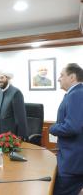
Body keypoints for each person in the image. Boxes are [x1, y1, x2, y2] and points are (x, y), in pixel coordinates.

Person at [49, 63, 83, 195]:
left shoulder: (77, 94)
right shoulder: (73, 93)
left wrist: (53, 128)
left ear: (72, 77)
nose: (59, 79)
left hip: (72, 162)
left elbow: (72, 127)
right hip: (71, 158)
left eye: (62, 75)